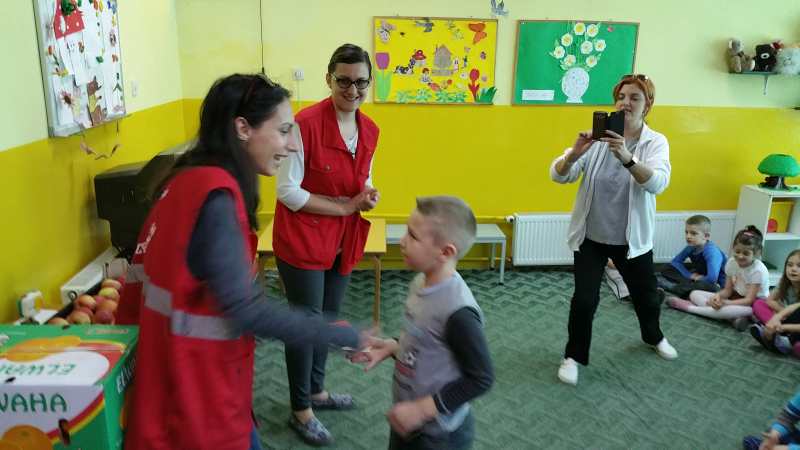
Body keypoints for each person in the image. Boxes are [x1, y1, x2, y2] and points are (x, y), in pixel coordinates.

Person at [117, 73, 361, 450]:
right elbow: (247, 311)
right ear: (243, 128)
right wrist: (343, 335)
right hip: (199, 402)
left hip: (173, 383)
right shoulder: (215, 197)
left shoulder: (181, 182)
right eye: (283, 130)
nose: (292, 145)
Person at [272, 43, 380, 446]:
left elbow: (364, 175)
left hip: (341, 237)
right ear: (329, 79)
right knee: (306, 323)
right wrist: (345, 206)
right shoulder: (304, 124)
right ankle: (301, 409)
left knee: (327, 318)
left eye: (361, 82)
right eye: (344, 81)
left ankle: (316, 392)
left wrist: (366, 193)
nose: (353, 90)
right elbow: (287, 191)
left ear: (369, 82)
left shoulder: (370, 130)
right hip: (302, 238)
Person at [550, 73, 677, 387]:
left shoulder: (655, 142)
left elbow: (657, 183)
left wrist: (626, 157)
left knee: (647, 298)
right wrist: (575, 153)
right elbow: (559, 175)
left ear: (648, 104)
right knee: (584, 300)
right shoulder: (598, 138)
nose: (626, 103)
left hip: (631, 241)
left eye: (634, 97)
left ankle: (653, 336)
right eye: (621, 97)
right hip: (591, 238)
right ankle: (573, 356)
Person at [353, 196, 494, 450]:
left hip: (439, 435)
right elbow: (424, 339)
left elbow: (481, 378)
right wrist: (392, 346)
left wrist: (421, 410)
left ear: (446, 252)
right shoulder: (421, 281)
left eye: (413, 236)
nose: (402, 241)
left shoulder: (458, 312)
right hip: (407, 420)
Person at [667, 226, 768, 331]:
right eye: (737, 251)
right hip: (735, 297)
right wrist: (717, 296)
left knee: (731, 309)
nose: (740, 256)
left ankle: (690, 308)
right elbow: (728, 290)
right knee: (694, 294)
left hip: (754, 305)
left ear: (756, 254)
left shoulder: (758, 270)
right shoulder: (732, 262)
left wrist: (726, 303)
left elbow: (749, 300)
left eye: (746, 253)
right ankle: (733, 318)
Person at [658, 214, 727, 297]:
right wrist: (690, 275)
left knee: (711, 287)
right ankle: (686, 287)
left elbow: (712, 278)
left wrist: (698, 278)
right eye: (686, 232)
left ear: (706, 236)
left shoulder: (711, 251)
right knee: (666, 267)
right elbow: (675, 262)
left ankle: (674, 287)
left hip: (716, 284)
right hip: (699, 275)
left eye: (693, 233)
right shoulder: (691, 246)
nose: (688, 236)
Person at [750, 249, 800, 355]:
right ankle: (777, 335)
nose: (793, 269)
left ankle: (777, 335)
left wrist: (781, 326)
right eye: (790, 265)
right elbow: (770, 300)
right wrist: (780, 315)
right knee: (759, 303)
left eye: (799, 266)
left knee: (797, 347)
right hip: (785, 317)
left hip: (794, 325)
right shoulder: (784, 282)